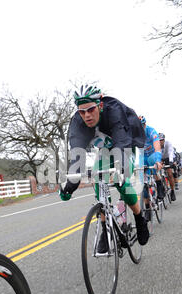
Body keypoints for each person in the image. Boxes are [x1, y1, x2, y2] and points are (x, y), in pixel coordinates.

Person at [59, 85, 150, 250]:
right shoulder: (78, 122)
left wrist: (121, 169)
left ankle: (139, 218)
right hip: (105, 149)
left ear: (100, 106)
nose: (86, 115)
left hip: (126, 141)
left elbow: (122, 143)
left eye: (91, 109)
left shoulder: (114, 111)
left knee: (120, 180)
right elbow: (77, 153)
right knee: (99, 177)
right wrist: (71, 184)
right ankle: (105, 227)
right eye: (82, 111)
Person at [138, 116, 164, 201]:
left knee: (154, 167)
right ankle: (147, 206)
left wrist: (157, 160)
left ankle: (159, 185)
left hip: (153, 154)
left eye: (142, 126)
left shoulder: (151, 131)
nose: (141, 129)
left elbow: (157, 146)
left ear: (145, 124)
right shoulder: (135, 133)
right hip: (143, 156)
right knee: (143, 182)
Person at [159, 133, 176, 201]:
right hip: (161, 158)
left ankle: (172, 191)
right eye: (159, 140)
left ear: (164, 140)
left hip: (168, 158)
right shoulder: (156, 144)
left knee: (169, 174)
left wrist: (171, 161)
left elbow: (170, 152)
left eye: (162, 140)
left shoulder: (168, 143)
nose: (160, 142)